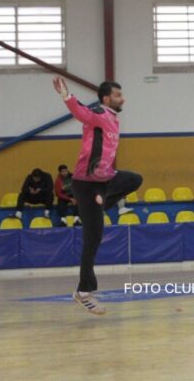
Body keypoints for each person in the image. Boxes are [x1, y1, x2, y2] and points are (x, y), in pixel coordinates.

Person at [53, 76, 143, 315]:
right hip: (86, 184)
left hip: (106, 180)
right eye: (117, 95)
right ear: (106, 98)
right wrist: (66, 96)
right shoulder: (98, 114)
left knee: (134, 179)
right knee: (93, 239)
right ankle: (83, 292)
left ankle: (100, 206)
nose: (122, 99)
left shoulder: (114, 119)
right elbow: (81, 112)